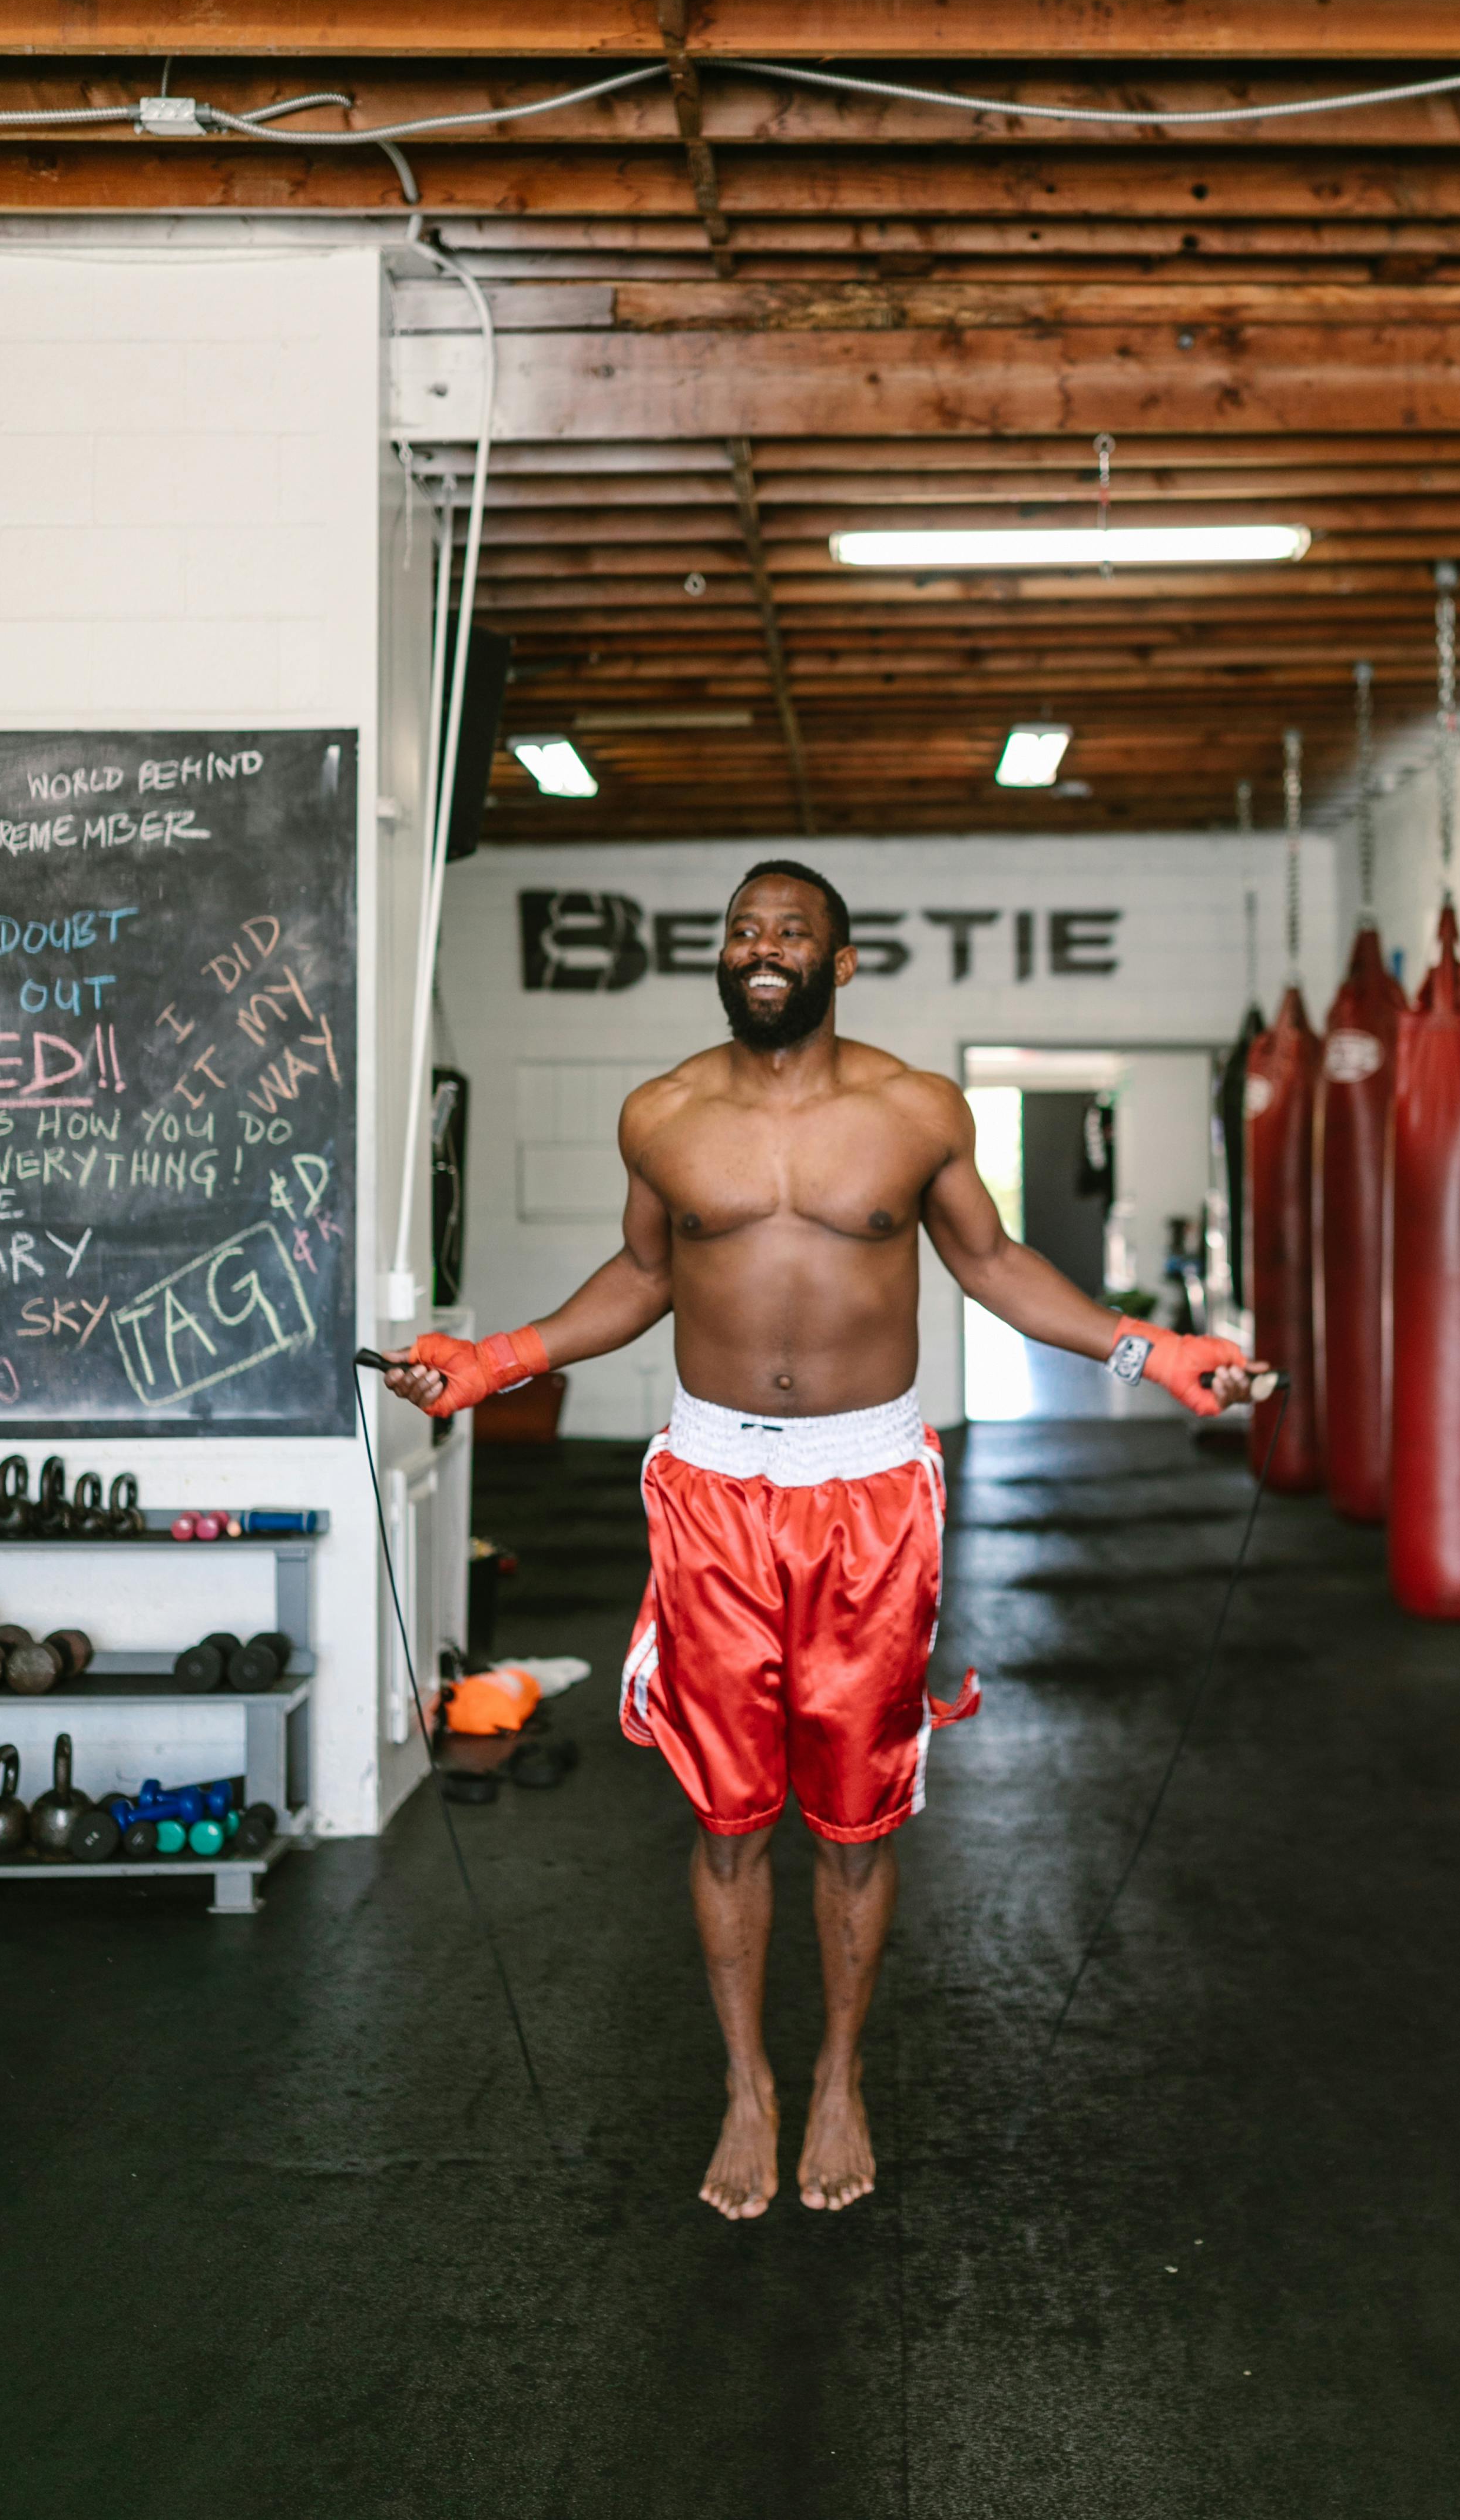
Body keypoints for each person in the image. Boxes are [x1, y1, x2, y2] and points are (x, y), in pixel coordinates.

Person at [382, 860, 1267, 2223]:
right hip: (712, 1488)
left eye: (792, 930)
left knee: (854, 1821)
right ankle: (749, 2086)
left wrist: (1152, 1354)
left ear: (840, 962)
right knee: (725, 1817)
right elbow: (636, 1279)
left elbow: (992, 1264)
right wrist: (491, 1360)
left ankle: (839, 2076)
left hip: (871, 1493)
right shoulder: (662, 1115)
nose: (763, 947)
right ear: (723, 958)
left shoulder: (913, 1109)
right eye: (742, 929)